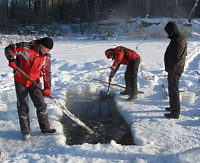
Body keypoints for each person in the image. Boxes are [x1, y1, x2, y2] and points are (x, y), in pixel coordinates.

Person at [4, 37, 56, 140]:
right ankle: (26, 131)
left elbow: (47, 73)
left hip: (35, 82)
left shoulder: (46, 57)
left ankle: (45, 128)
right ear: (41, 45)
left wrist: (47, 87)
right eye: (46, 49)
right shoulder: (25, 47)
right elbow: (8, 49)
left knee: (41, 104)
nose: (47, 51)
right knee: (23, 106)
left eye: (49, 50)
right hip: (20, 81)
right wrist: (11, 59)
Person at [164, 21, 187, 119]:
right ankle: (172, 107)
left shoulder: (178, 40)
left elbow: (176, 58)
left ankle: (175, 112)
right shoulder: (177, 38)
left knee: (174, 90)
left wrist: (171, 71)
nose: (168, 34)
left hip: (175, 69)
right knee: (171, 89)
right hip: (175, 68)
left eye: (168, 31)